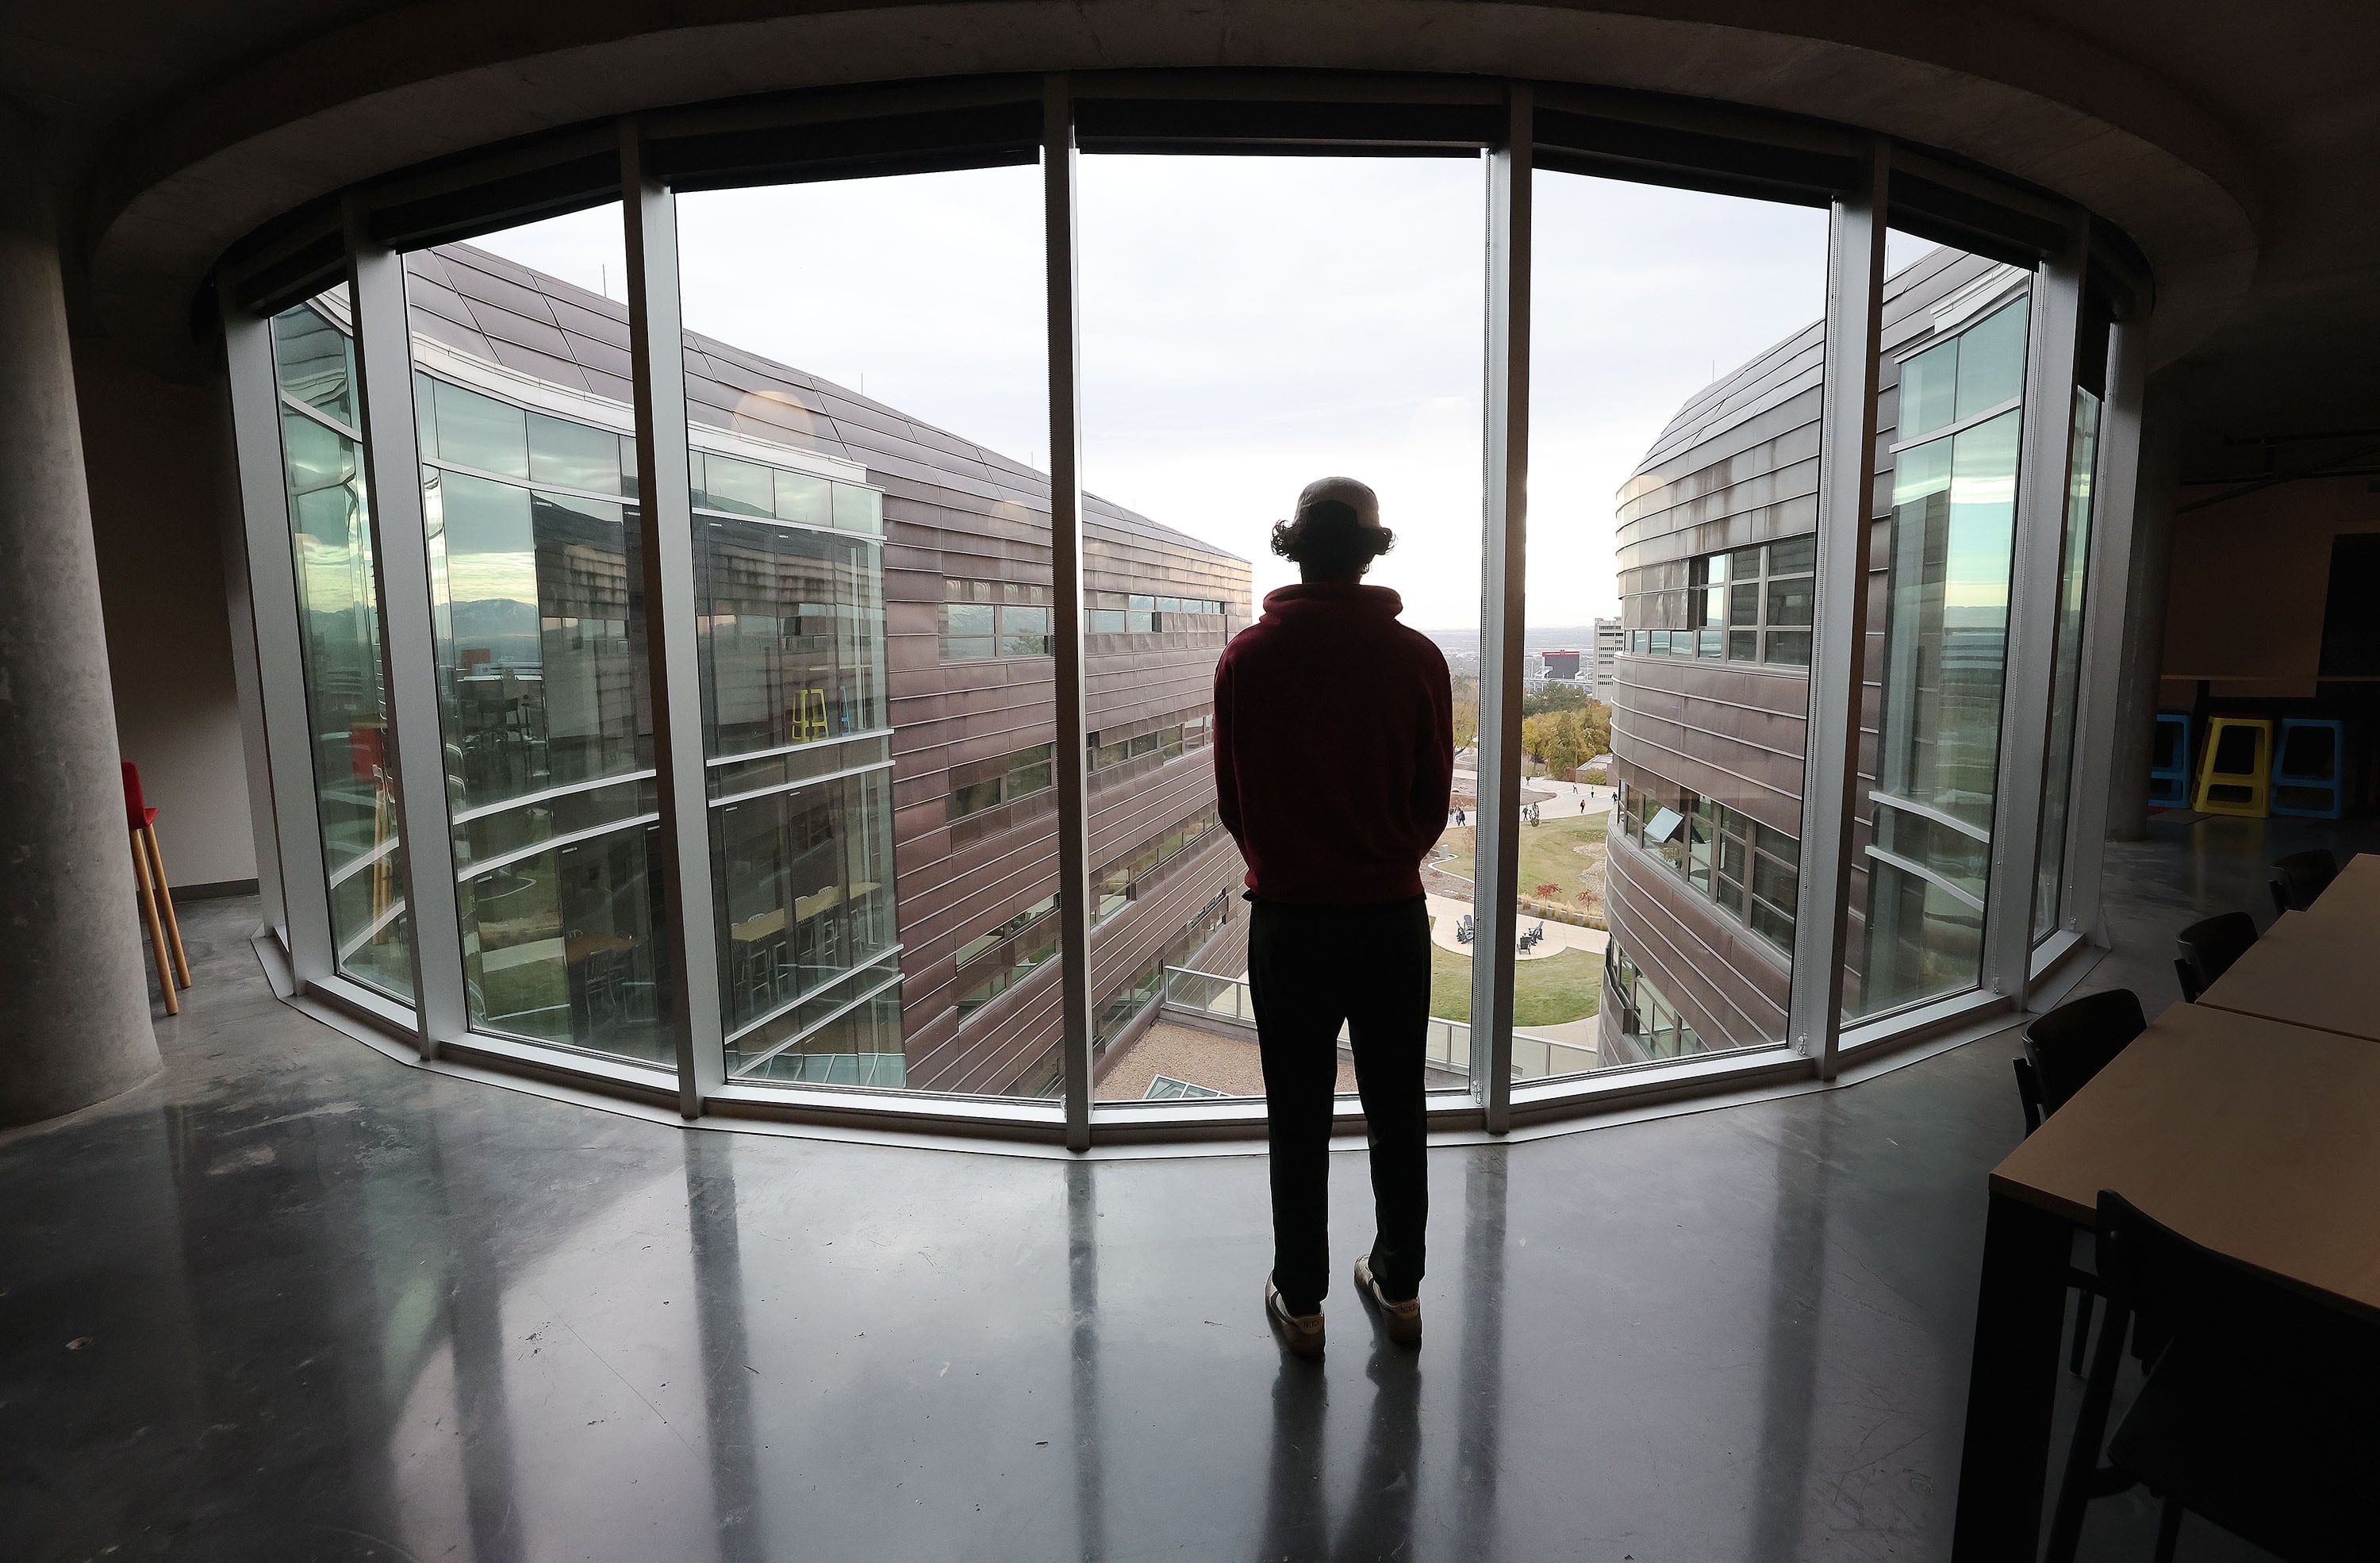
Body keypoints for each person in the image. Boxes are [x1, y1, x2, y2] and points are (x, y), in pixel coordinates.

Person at [1213, 476, 1453, 1358]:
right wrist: (1386, 857)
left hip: (1290, 920)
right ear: (1371, 550)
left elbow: (1234, 797)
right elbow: (1432, 797)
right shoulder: (1417, 658)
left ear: (1294, 545)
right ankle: (1399, 1286)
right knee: (1400, 1104)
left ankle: (1302, 1299)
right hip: (1391, 914)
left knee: (1298, 1113)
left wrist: (1286, 861)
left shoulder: (1248, 659)